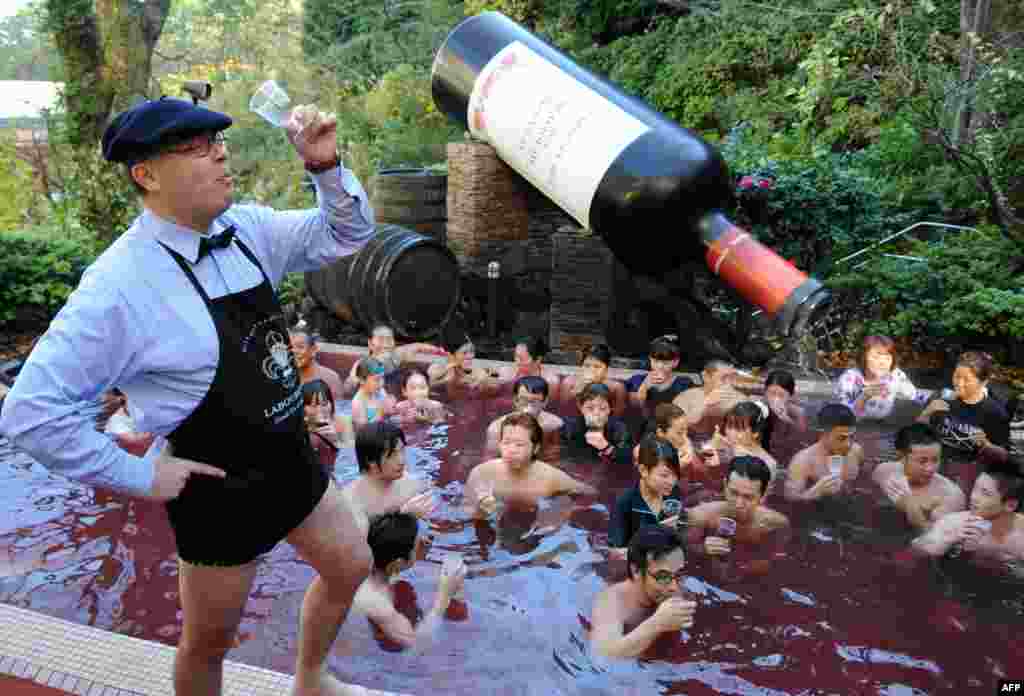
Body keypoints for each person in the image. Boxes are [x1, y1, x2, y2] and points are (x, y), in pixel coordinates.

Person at [0, 97, 375, 695]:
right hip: (217, 491)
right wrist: (138, 475)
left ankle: (311, 678)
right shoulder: (118, 286)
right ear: (144, 174)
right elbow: (30, 412)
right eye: (196, 147)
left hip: (291, 459)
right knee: (208, 645)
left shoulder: (247, 229)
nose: (220, 153)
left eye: (218, 141)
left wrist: (325, 168)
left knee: (352, 563)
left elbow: (347, 232)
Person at [351, 512, 467, 650]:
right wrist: (443, 597)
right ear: (397, 563)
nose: (423, 542)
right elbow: (415, 645)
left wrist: (414, 555)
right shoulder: (379, 604)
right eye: (416, 546)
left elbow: (391, 566)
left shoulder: (368, 563)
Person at [589, 524, 696, 659]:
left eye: (679, 574)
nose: (674, 587)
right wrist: (657, 623)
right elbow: (602, 656)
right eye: (663, 577)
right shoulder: (611, 602)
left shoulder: (673, 587)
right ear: (636, 571)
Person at [465, 412, 597, 519]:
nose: (511, 450)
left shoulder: (551, 477)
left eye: (519, 444)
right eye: (506, 443)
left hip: (536, 523)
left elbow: (589, 493)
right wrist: (480, 507)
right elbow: (468, 513)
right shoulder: (481, 474)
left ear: (535, 448)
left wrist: (563, 511)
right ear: (499, 444)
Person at [913, 450, 1024, 568]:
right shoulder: (955, 525)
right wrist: (949, 541)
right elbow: (915, 553)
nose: (974, 497)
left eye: (985, 493)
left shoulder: (1020, 533)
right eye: (975, 488)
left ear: (1010, 505)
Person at [687, 456, 790, 571]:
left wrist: (755, 566)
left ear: (763, 495)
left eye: (748, 497)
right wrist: (702, 549)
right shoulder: (700, 515)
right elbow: (685, 550)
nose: (739, 504)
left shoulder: (777, 523)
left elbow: (779, 560)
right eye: (733, 493)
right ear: (725, 485)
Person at [917, 351, 1011, 467]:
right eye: (956, 376)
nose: (959, 383)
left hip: (971, 469)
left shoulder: (995, 413)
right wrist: (927, 412)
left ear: (984, 382)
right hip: (934, 463)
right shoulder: (941, 397)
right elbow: (916, 434)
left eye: (967, 380)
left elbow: (1004, 456)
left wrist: (986, 444)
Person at [341, 421, 436, 535]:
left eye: (402, 450)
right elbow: (361, 550)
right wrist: (404, 518)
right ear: (370, 461)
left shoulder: (411, 483)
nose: (402, 461)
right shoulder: (352, 503)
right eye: (392, 455)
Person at [872, 423, 966, 531]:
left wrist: (910, 505)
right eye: (922, 461)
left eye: (935, 460)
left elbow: (935, 541)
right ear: (902, 457)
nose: (930, 469)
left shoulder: (951, 496)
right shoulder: (885, 471)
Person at [608, 436, 684, 559]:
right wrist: (650, 541)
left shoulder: (672, 493)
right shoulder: (624, 504)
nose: (672, 481)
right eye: (664, 475)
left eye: (676, 474)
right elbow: (615, 555)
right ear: (643, 470)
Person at [833, 335, 928, 420]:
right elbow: (844, 413)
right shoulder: (850, 378)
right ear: (863, 358)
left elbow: (915, 395)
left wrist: (935, 400)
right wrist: (864, 397)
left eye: (887, 358)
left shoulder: (895, 375)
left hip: (882, 422)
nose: (882, 362)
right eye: (875, 357)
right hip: (854, 425)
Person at [785, 403, 864, 503]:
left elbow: (864, 477)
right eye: (841, 438)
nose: (848, 444)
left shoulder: (856, 451)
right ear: (822, 434)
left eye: (851, 436)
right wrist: (813, 493)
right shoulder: (803, 462)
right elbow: (790, 499)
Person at [344, 324, 445, 396]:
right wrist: (356, 381)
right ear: (370, 344)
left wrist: (438, 351)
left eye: (389, 339)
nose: (386, 344)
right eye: (381, 339)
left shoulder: (396, 355)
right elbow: (348, 389)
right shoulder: (363, 364)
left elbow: (417, 346)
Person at [560, 382, 633, 467]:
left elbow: (627, 461)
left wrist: (605, 446)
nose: (596, 413)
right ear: (581, 408)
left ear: (609, 409)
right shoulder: (569, 427)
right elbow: (562, 458)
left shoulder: (619, 429)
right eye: (590, 408)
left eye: (602, 408)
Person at [486, 376, 564, 447]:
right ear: (515, 400)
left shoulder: (554, 424)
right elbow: (490, 457)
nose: (529, 406)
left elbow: (557, 456)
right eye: (523, 400)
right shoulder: (497, 428)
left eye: (535, 401)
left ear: (545, 402)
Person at [625, 336, 694, 414]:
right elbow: (634, 408)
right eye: (656, 361)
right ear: (650, 359)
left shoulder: (684, 383)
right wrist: (644, 386)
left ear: (675, 362)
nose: (660, 366)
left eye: (666, 363)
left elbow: (689, 409)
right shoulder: (637, 380)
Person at [560, 343, 627, 417]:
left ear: (606, 369)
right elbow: (564, 409)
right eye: (587, 365)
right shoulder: (569, 383)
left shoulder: (616, 388)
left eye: (597, 367)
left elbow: (617, 415)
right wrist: (578, 389)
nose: (591, 370)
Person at [672, 359, 745, 427]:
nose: (728, 383)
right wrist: (706, 403)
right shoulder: (685, 397)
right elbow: (676, 426)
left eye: (732, 378)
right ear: (705, 376)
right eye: (723, 378)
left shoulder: (740, 399)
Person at [720, 401, 779, 478]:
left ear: (755, 432)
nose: (731, 433)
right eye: (729, 427)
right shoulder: (728, 446)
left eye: (739, 429)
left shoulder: (768, 464)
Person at [302, 379, 353, 467]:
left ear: (331, 403)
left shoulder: (343, 421)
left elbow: (351, 457)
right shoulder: (301, 429)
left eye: (324, 404)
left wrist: (334, 441)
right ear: (303, 408)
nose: (320, 410)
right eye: (313, 406)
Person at [426, 331, 499, 392]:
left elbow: (495, 387)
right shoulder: (438, 370)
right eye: (464, 353)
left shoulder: (478, 371)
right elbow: (430, 385)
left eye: (472, 351)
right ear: (452, 355)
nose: (470, 356)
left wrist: (483, 380)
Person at [496, 335, 561, 402]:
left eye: (522, 359)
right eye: (516, 356)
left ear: (538, 360)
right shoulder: (506, 372)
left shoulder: (550, 381)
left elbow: (548, 406)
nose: (517, 362)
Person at [290, 329, 344, 400]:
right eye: (290, 347)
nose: (294, 351)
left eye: (300, 347)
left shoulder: (330, 378)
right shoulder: (286, 379)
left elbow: (337, 409)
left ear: (313, 350)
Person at [351, 357, 397, 429]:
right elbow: (363, 432)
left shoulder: (380, 391)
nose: (381, 383)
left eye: (382, 378)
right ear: (362, 380)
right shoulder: (357, 403)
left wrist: (395, 407)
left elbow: (388, 412)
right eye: (377, 380)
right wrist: (381, 412)